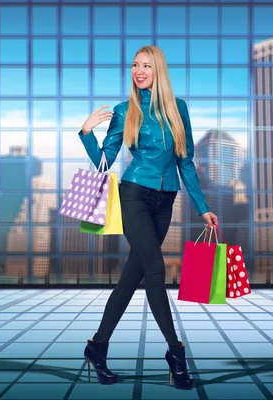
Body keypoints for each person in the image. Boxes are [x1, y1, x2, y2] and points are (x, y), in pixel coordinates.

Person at [77, 45, 218, 390]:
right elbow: (104, 163)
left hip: (165, 199)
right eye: (134, 65)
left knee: (131, 278)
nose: (138, 71)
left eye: (146, 65)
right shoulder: (127, 110)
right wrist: (86, 132)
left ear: (158, 70)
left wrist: (202, 206)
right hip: (134, 195)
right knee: (156, 270)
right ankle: (176, 352)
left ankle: (97, 348)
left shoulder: (177, 109)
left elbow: (185, 161)